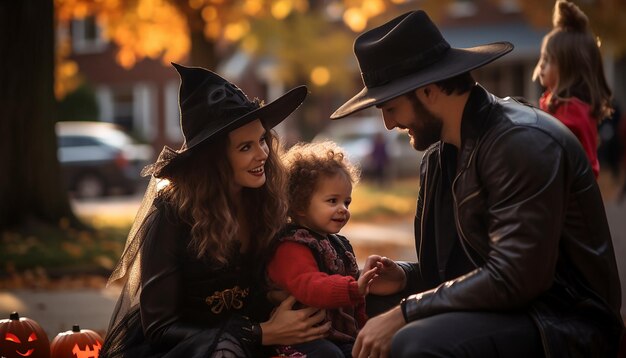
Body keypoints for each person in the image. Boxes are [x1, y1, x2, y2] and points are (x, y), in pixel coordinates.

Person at [330, 9, 623, 358]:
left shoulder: (520, 142)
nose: (388, 123)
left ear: (427, 91)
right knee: (367, 309)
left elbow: (516, 276)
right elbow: (461, 271)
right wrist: (407, 278)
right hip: (509, 308)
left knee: (413, 339)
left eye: (390, 107)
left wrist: (408, 311)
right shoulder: (439, 156)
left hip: (562, 320)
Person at [100, 63, 331, 358]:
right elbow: (159, 327)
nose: (262, 153)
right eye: (245, 147)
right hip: (192, 349)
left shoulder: (265, 201)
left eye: (262, 140)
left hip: (259, 334)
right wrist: (259, 333)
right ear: (214, 160)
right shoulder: (172, 215)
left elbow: (261, 287)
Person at [266, 141, 379, 357]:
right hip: (300, 339)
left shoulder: (339, 244)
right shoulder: (292, 246)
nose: (343, 209)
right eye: (332, 201)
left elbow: (356, 307)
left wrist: (365, 330)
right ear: (299, 204)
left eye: (347, 202)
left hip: (336, 335)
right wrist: (353, 288)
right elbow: (309, 286)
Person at [533, 0, 613, 178]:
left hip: (570, 199)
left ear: (568, 67)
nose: (541, 67)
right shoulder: (564, 106)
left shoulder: (571, 111)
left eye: (547, 60)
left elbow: (551, 152)